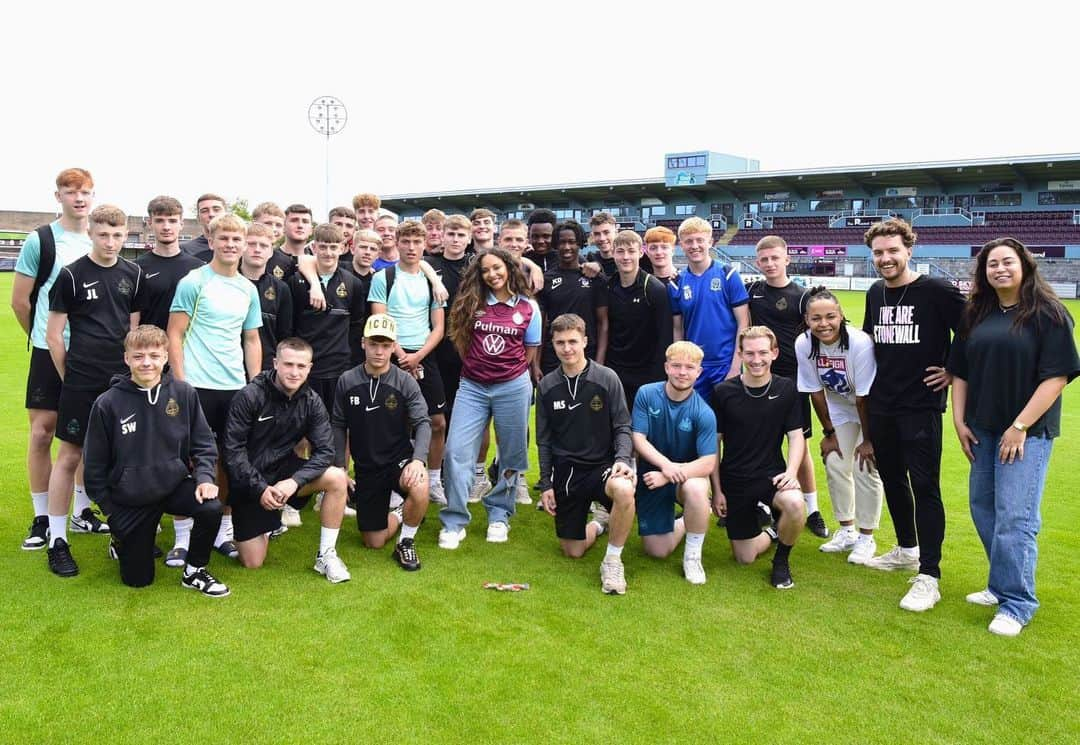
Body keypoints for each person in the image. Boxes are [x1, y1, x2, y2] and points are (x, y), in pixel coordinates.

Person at [948, 237, 1078, 636]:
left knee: (1015, 518)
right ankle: (1000, 583)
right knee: (983, 508)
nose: (999, 269)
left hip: (1027, 432)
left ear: (1024, 265)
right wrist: (958, 421)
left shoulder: (1048, 313)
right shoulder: (977, 313)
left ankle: (1017, 603)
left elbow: (1056, 377)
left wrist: (1019, 426)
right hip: (983, 428)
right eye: (991, 264)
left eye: (1007, 262)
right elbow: (961, 371)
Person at [861, 219, 964, 612]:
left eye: (892, 251)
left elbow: (971, 330)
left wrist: (952, 369)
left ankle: (929, 575)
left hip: (920, 406)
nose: (885, 259)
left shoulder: (935, 290)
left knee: (925, 487)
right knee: (892, 479)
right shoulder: (874, 293)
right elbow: (871, 343)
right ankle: (906, 548)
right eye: (879, 253)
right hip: (883, 404)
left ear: (909, 249)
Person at [83, 325, 227, 596]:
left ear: (165, 356)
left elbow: (204, 444)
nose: (146, 362)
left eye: (153, 355)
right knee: (138, 579)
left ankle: (194, 571)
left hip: (172, 486)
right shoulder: (108, 403)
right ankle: (121, 539)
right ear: (127, 359)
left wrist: (205, 478)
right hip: (130, 498)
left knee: (210, 506)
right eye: (138, 356)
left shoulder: (184, 394)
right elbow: (93, 465)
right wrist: (111, 510)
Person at [44, 205, 144, 577]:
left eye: (118, 235)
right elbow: (54, 335)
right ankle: (58, 540)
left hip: (122, 381)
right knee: (70, 455)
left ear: (125, 235)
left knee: (123, 456)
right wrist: (70, 375)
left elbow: (132, 332)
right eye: (104, 234)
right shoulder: (71, 276)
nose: (111, 241)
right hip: (82, 380)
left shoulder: (133, 274)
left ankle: (123, 534)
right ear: (91, 233)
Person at [168, 213, 263, 560]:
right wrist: (181, 382)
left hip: (234, 388)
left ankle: (221, 532)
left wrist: (253, 385)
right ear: (211, 241)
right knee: (185, 460)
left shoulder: (247, 289)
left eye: (237, 240)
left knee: (227, 459)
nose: (230, 245)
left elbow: (251, 339)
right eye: (223, 238)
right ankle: (182, 536)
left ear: (244, 244)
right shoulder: (194, 282)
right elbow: (174, 334)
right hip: (195, 386)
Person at [12, 167, 94, 551]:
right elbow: (20, 300)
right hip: (49, 350)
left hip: (90, 352)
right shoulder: (41, 240)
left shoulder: (98, 236)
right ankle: (42, 517)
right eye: (70, 191)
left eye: (85, 192)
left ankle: (82, 512)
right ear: (58, 195)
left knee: (83, 432)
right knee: (44, 432)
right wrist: (45, 339)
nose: (79, 198)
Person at [223, 338, 351, 581]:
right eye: (288, 364)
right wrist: (260, 489)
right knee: (252, 562)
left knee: (336, 477)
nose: (294, 372)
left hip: (285, 474)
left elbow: (326, 451)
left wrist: (294, 481)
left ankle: (326, 555)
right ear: (275, 363)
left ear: (310, 368)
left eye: (301, 366)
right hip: (251, 481)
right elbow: (233, 451)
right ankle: (269, 523)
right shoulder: (249, 395)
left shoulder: (312, 401)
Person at [439, 249, 540, 548]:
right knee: (456, 451)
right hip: (472, 387)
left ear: (509, 268)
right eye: (485, 271)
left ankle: (499, 514)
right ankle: (455, 520)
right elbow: (461, 341)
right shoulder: (473, 302)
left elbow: (530, 350)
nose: (492, 274)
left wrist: (508, 372)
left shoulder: (529, 307)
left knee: (511, 453)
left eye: (497, 268)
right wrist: (479, 367)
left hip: (513, 386)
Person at [536, 314, 636, 594]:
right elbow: (543, 441)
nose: (567, 348)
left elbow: (623, 426)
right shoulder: (546, 386)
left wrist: (622, 460)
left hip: (602, 468)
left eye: (572, 341)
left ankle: (613, 561)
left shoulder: (607, 378)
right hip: (567, 474)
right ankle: (600, 523)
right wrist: (546, 484)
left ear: (585, 341)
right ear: (552, 345)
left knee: (624, 490)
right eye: (560, 343)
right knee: (573, 551)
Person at [332, 314, 431, 570]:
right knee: (373, 541)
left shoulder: (405, 381)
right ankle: (401, 514)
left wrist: (418, 461)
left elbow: (423, 423)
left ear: (393, 346)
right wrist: (340, 468)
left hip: (399, 461)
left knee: (420, 486)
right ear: (363, 343)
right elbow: (339, 425)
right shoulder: (347, 380)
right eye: (374, 344)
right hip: (367, 468)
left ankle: (406, 543)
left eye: (386, 345)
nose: (379, 351)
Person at [711, 327, 806, 589]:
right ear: (740, 354)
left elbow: (796, 437)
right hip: (735, 481)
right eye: (749, 353)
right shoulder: (723, 392)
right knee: (745, 558)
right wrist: (717, 491)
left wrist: (791, 473)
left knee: (796, 505)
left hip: (771, 476)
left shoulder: (786, 389)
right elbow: (714, 446)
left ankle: (781, 562)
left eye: (763, 352)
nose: (756, 359)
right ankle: (774, 530)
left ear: (774, 353)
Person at [746, 236, 825, 538]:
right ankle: (752, 502)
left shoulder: (802, 296)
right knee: (755, 441)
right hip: (757, 376)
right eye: (763, 259)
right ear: (757, 262)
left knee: (799, 445)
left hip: (794, 380)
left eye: (774, 258)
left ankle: (813, 509)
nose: (769, 264)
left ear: (787, 258)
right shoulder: (751, 291)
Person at [795, 289, 882, 564]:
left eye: (830, 316)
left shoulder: (859, 343)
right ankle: (847, 531)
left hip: (871, 409)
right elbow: (815, 390)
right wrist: (829, 433)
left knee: (864, 465)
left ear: (841, 315)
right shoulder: (804, 343)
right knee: (834, 461)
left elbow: (863, 396)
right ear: (807, 320)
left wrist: (868, 441)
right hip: (840, 410)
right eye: (816, 318)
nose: (824, 324)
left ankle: (867, 537)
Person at [369, 221, 449, 505]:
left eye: (417, 242)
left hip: (425, 355)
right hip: (393, 354)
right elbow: (380, 319)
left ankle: (436, 479)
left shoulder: (431, 279)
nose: (412, 247)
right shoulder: (383, 277)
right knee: (396, 421)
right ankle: (395, 482)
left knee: (437, 421)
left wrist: (417, 357)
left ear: (425, 244)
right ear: (398, 243)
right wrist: (400, 354)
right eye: (406, 241)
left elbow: (438, 327)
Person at [631, 341, 717, 584]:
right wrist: (665, 466)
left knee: (697, 489)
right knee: (656, 551)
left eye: (689, 367)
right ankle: (687, 519)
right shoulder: (646, 394)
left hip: (684, 479)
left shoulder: (704, 412)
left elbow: (708, 463)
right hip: (651, 477)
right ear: (666, 367)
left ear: (699, 372)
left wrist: (669, 474)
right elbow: (638, 438)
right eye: (676, 366)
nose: (682, 372)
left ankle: (692, 557)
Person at [670, 217, 750, 397]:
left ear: (710, 242)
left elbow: (744, 323)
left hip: (725, 365)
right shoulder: (676, 283)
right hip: (694, 367)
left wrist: (736, 366)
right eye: (689, 241)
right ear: (681, 245)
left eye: (700, 240)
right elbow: (678, 330)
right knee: (695, 422)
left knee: (728, 423)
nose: (695, 245)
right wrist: (681, 364)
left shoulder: (728, 274)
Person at [602, 230, 672, 410]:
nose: (626, 257)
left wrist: (658, 379)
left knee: (642, 432)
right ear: (613, 253)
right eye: (620, 251)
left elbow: (664, 337)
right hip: (616, 372)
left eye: (631, 251)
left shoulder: (654, 289)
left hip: (646, 375)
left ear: (641, 252)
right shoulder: (608, 286)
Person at [536, 219, 608, 377]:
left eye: (572, 242)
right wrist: (536, 363)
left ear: (580, 244)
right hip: (553, 357)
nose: (567, 247)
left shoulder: (596, 278)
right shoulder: (546, 280)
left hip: (587, 356)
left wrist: (600, 361)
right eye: (562, 242)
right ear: (555, 244)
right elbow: (540, 326)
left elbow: (603, 322)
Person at [136, 196, 205, 332]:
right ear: (150, 223)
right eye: (160, 221)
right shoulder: (136, 268)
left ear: (181, 224)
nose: (166, 227)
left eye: (172, 221)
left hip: (188, 348)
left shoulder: (199, 267)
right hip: (151, 348)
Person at [240, 222, 292, 371]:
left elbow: (284, 336)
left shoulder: (281, 289)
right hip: (229, 366)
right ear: (242, 246)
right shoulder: (226, 283)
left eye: (263, 246)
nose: (257, 249)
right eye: (251, 244)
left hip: (267, 368)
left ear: (271, 252)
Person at [180, 193, 227, 259]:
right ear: (198, 217)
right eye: (204, 211)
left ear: (226, 214)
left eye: (216, 210)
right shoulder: (185, 250)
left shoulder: (240, 247)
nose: (211, 214)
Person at [525, 208, 559, 273]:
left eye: (546, 236)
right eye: (535, 236)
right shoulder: (522, 259)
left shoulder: (566, 259)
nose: (540, 241)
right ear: (529, 235)